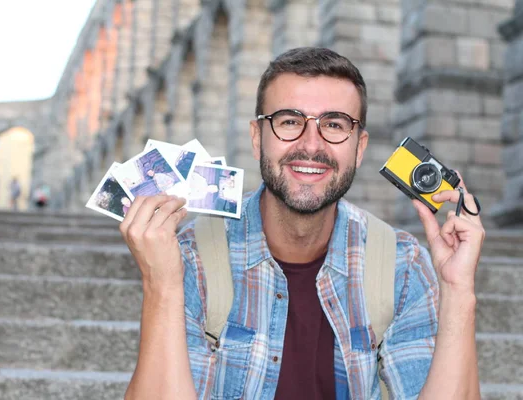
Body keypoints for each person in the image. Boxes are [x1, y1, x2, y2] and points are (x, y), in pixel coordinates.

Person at [119, 48, 485, 399]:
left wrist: (457, 289)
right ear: (257, 137)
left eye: (335, 124)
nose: (311, 145)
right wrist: (161, 284)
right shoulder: (190, 259)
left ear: (359, 148)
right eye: (290, 122)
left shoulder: (402, 267)